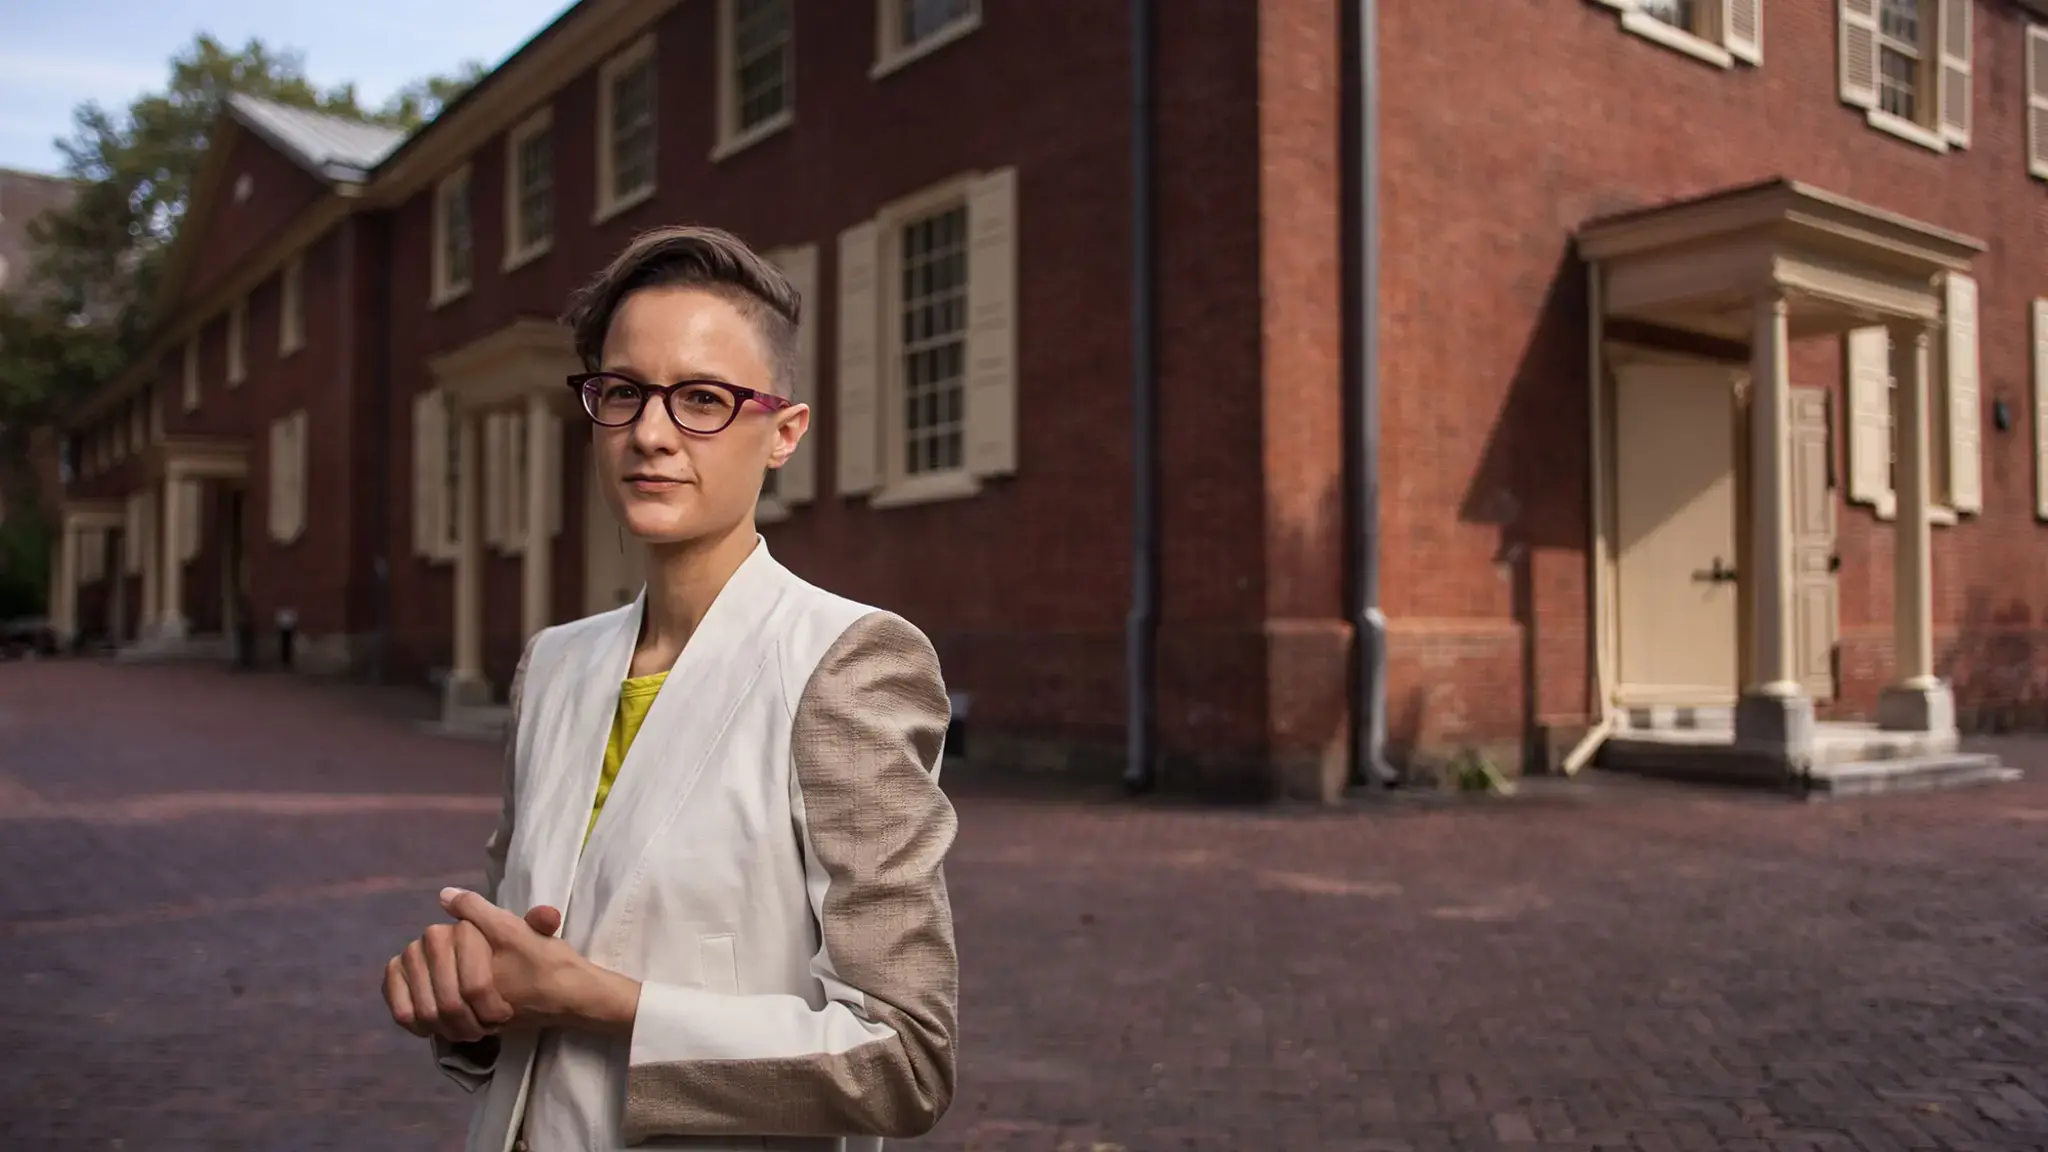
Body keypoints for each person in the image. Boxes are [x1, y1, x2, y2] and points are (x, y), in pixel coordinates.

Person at [380, 226, 959, 1152]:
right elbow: (513, 980)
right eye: (622, 393)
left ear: (784, 432)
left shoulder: (845, 662)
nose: (650, 434)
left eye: (702, 399)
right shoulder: (554, 668)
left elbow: (903, 1061)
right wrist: (464, 998)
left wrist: (600, 1002)